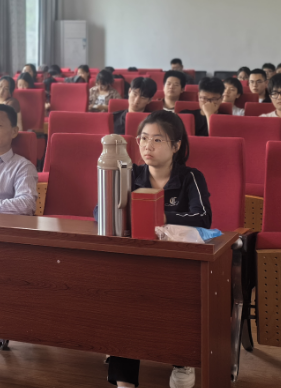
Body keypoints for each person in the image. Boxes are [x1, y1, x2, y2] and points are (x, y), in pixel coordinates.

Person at [100, 110, 210, 388]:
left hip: (177, 263)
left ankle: (181, 360)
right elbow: (101, 210)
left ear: (176, 145)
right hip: (136, 259)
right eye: (143, 138)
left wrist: (156, 216)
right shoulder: (130, 173)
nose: (147, 145)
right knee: (123, 297)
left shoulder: (190, 177)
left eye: (157, 140)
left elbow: (202, 218)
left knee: (178, 296)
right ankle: (124, 378)